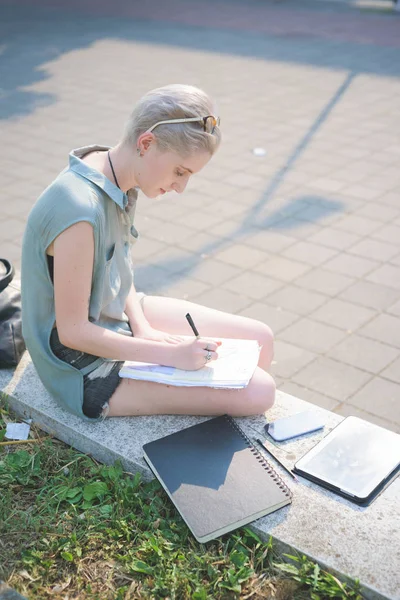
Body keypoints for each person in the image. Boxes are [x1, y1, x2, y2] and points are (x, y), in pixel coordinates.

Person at [21, 84, 275, 422]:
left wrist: (143, 327)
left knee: (261, 338)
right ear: (146, 143)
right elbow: (73, 332)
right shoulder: (79, 209)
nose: (180, 187)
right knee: (260, 392)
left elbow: (117, 274)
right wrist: (169, 356)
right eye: (180, 171)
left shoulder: (119, 176)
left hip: (115, 314)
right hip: (78, 363)